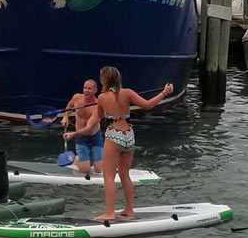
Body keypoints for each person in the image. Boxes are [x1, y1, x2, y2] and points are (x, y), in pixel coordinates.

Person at [88, 66, 174, 222]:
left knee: (108, 176)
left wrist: (102, 107)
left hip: (114, 134)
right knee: (124, 174)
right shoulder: (128, 93)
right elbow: (147, 105)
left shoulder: (101, 97)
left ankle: (109, 213)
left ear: (104, 80)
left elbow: (100, 115)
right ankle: (129, 210)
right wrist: (164, 92)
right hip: (129, 135)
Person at [58, 79, 101, 175]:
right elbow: (69, 105)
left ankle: (95, 159)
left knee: (99, 170)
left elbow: (89, 127)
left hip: (95, 137)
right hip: (81, 138)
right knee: (85, 170)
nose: (86, 90)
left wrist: (73, 134)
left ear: (95, 90)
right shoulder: (77, 98)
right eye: (84, 88)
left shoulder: (98, 107)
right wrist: (66, 116)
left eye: (89, 88)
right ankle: (77, 159)